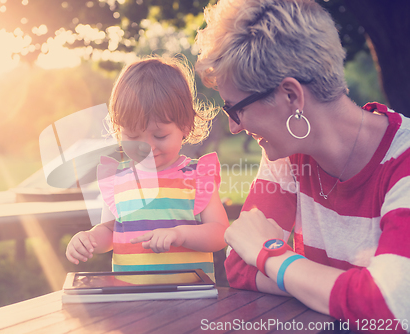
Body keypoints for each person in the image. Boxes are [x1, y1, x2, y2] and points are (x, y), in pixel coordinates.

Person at [195, 0, 410, 331]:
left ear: (291, 96)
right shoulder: (288, 156)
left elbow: (389, 308)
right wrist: (347, 288)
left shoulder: (404, 161)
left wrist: (272, 256)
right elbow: (239, 264)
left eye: (236, 108)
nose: (235, 127)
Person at [66, 56, 229, 283]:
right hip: (132, 300)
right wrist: (89, 238)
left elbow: (220, 233)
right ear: (118, 130)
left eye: (160, 135)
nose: (147, 147)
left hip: (190, 298)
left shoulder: (197, 176)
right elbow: (110, 232)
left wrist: (179, 234)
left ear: (185, 125)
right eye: (132, 136)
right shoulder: (118, 179)